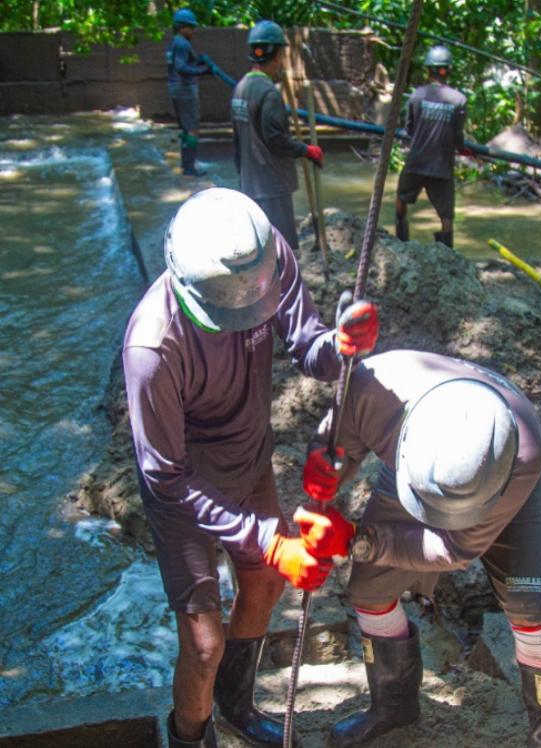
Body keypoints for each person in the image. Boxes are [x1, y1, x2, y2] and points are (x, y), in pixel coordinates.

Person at [123, 188, 379, 748]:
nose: (241, 319)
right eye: (225, 314)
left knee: (263, 583)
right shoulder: (152, 348)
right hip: (185, 487)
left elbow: (307, 348)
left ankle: (235, 702)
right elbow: (165, 478)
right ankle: (191, 736)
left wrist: (340, 345)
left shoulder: (262, 257)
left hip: (249, 455)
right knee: (205, 641)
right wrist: (264, 534)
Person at [298, 349, 541, 748]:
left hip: (507, 478)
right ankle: (393, 706)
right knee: (369, 590)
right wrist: (324, 478)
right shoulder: (374, 390)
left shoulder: (520, 457)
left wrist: (357, 540)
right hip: (418, 462)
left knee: (531, 602)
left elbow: (454, 551)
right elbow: (339, 444)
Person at [230, 20, 324, 251]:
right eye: (282, 53)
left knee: (259, 246)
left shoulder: (240, 88)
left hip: (250, 183)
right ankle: (284, 286)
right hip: (271, 185)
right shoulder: (268, 93)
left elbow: (236, 140)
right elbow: (276, 140)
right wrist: (306, 150)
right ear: (276, 54)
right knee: (282, 249)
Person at [395, 45, 468, 249]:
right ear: (448, 71)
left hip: (416, 161)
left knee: (401, 197)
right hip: (442, 165)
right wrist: (464, 149)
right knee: (446, 214)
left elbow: (409, 129)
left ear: (428, 71)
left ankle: (401, 241)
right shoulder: (459, 100)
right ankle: (447, 252)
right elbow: (458, 136)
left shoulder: (417, 96)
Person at [165, 8, 217, 177]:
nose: (193, 31)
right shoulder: (182, 43)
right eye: (191, 27)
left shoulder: (174, 43)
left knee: (187, 129)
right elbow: (181, 67)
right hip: (184, 89)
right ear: (182, 28)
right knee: (192, 129)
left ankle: (186, 164)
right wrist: (204, 71)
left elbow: (181, 63)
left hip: (176, 89)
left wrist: (198, 60)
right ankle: (189, 168)